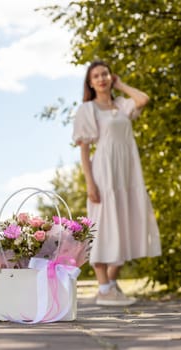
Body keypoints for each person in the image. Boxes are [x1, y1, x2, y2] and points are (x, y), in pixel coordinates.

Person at [72, 60, 162, 306]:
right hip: (105, 173)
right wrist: (90, 183)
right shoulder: (88, 110)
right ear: (90, 83)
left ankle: (109, 286)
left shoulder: (122, 105)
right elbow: (84, 151)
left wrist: (121, 85)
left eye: (105, 74)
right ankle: (104, 286)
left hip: (128, 173)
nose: (101, 78)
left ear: (111, 77)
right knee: (103, 227)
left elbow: (142, 99)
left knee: (125, 226)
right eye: (96, 76)